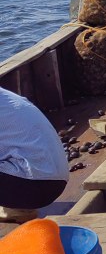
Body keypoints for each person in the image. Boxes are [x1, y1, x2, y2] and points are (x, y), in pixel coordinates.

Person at [0, 88, 69, 222]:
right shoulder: (7, 98)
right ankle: (16, 209)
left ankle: (19, 210)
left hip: (35, 186)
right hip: (55, 180)